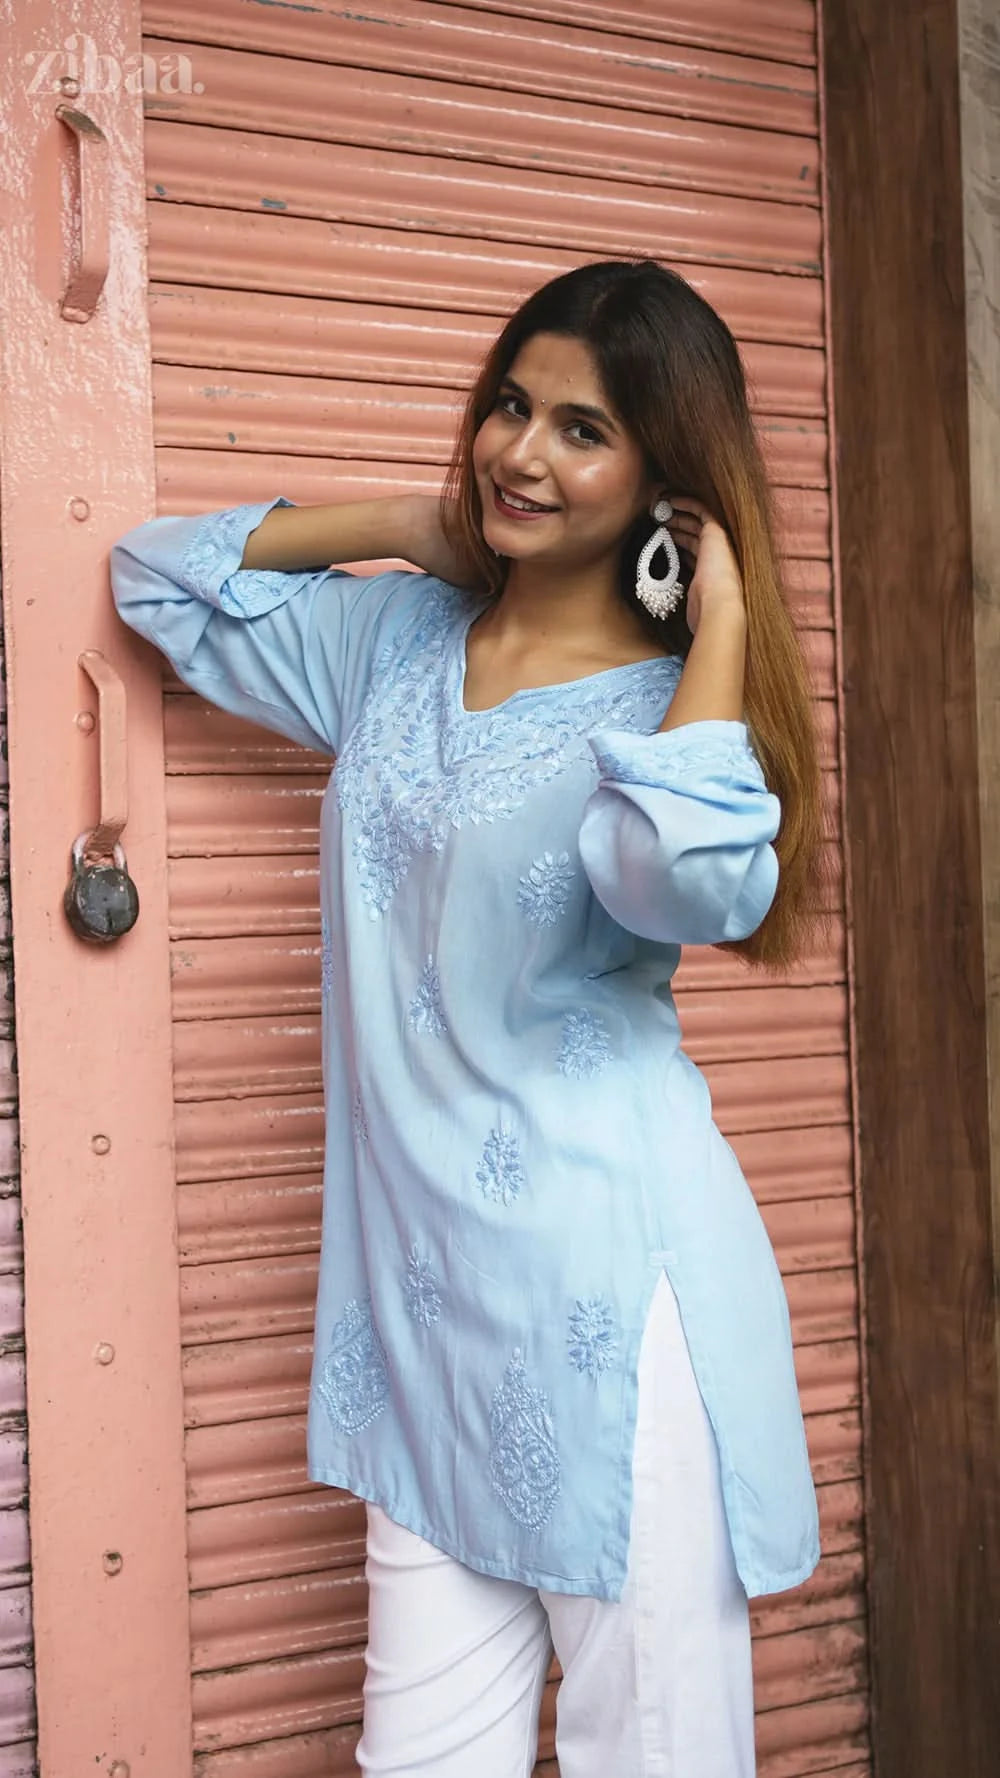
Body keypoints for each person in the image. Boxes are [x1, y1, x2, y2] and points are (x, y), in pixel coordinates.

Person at [110, 259, 823, 1777]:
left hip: (613, 1319)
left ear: (665, 488)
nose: (522, 451)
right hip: (418, 1327)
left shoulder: (661, 726)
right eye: (513, 405)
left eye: (584, 431)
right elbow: (155, 580)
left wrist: (720, 629)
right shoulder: (393, 652)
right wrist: (404, 525)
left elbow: (686, 881)